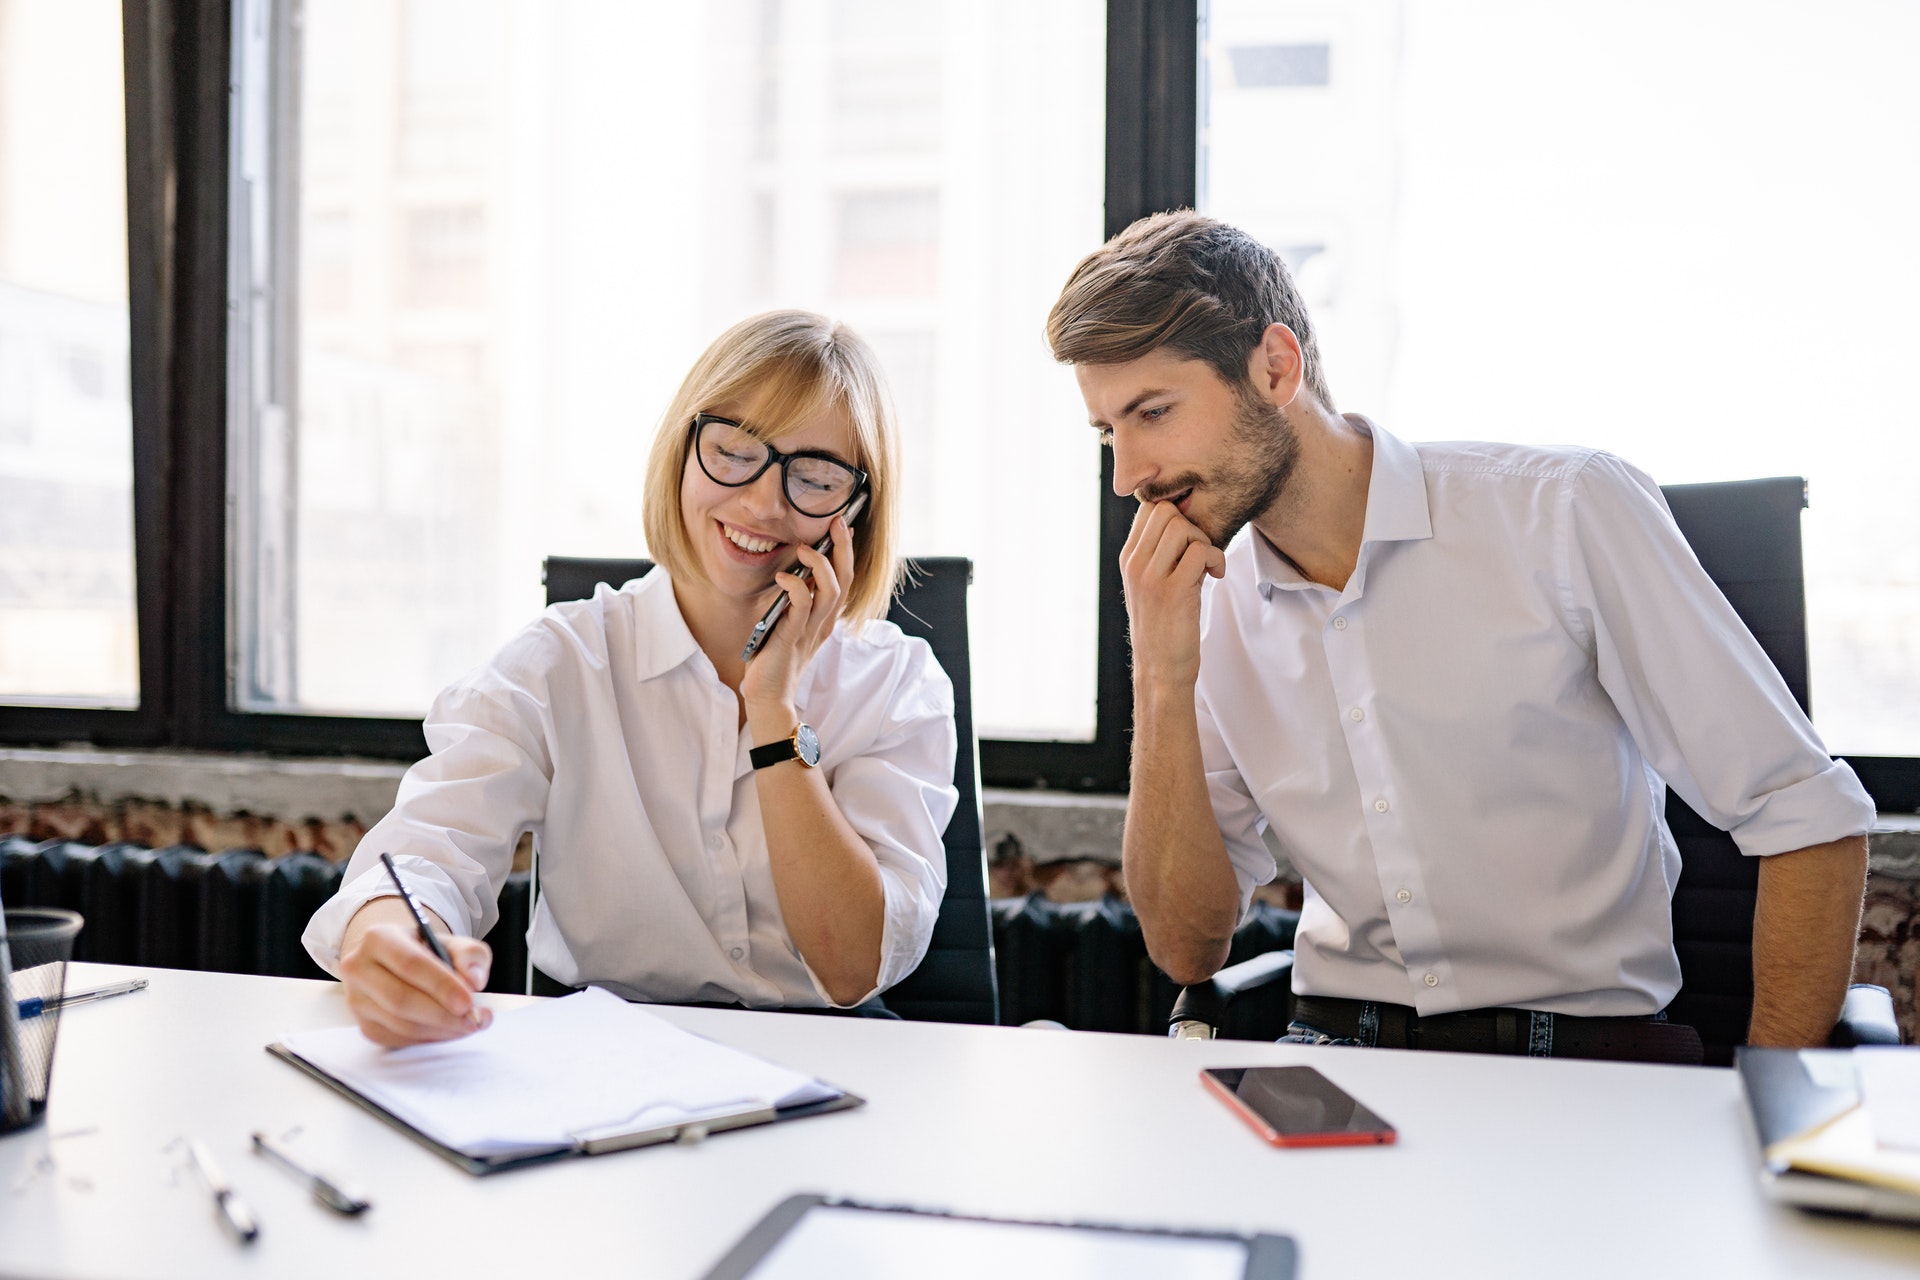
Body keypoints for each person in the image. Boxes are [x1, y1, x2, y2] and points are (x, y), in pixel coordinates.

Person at [1046, 211, 1873, 1061]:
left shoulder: (1561, 512)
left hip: (1584, 1067)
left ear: (1275, 368)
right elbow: (1188, 949)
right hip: (1338, 1058)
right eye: (1111, 432)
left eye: (1153, 412)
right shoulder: (1205, 603)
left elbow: (1809, 817)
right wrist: (1160, 673)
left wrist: (1766, 1120)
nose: (1129, 476)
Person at [303, 311, 958, 1047]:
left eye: (813, 477)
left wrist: (773, 708)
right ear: (683, 450)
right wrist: (394, 942)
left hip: (832, 1061)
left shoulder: (898, 682)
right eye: (734, 450)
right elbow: (429, 850)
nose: (762, 503)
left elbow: (850, 968)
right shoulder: (562, 662)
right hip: (604, 1061)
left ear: (855, 512)